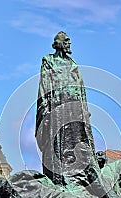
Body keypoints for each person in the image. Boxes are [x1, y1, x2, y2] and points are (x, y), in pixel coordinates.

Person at [35, 31, 97, 187]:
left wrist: (84, 108)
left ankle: (79, 175)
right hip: (57, 105)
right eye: (67, 41)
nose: (69, 44)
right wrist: (45, 106)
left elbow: (81, 88)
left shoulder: (73, 64)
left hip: (74, 106)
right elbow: (44, 85)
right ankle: (60, 178)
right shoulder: (49, 61)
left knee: (78, 139)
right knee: (58, 142)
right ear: (59, 43)